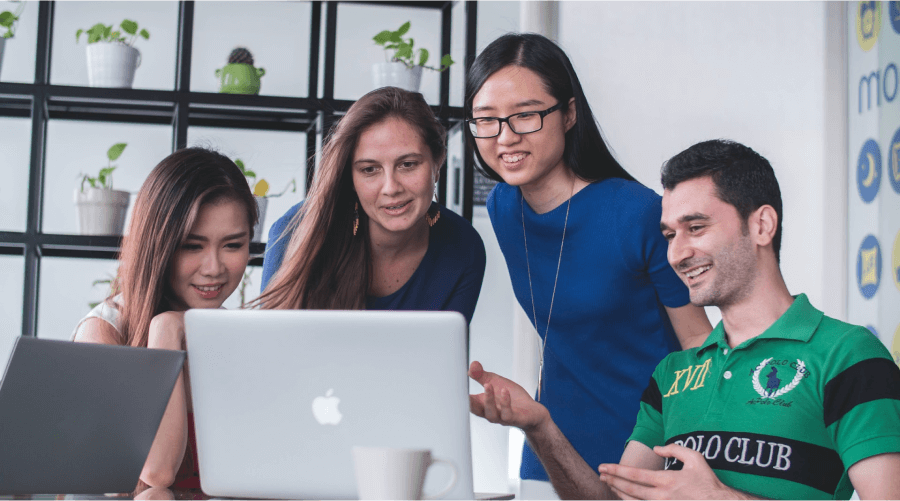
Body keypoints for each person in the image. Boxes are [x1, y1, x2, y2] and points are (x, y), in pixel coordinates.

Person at [469, 139, 900, 500]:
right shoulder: (673, 374)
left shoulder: (848, 355)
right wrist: (540, 425)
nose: (677, 253)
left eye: (696, 228)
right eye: (670, 235)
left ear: (763, 225)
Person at [465, 32, 712, 487]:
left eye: (526, 116)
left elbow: (699, 347)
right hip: (550, 448)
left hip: (647, 454)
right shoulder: (504, 207)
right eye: (487, 120)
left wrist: (674, 457)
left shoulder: (636, 214)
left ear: (569, 113)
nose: (505, 137)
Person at [73, 148, 257, 490]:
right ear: (158, 245)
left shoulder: (234, 336)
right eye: (192, 246)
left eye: (233, 245)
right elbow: (156, 473)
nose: (214, 268)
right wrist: (165, 331)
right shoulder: (103, 331)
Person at [258, 87, 486, 321]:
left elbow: (444, 354)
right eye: (369, 169)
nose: (391, 187)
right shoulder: (294, 232)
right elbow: (270, 349)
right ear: (351, 178)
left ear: (437, 163)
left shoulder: (463, 247)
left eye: (408, 164)